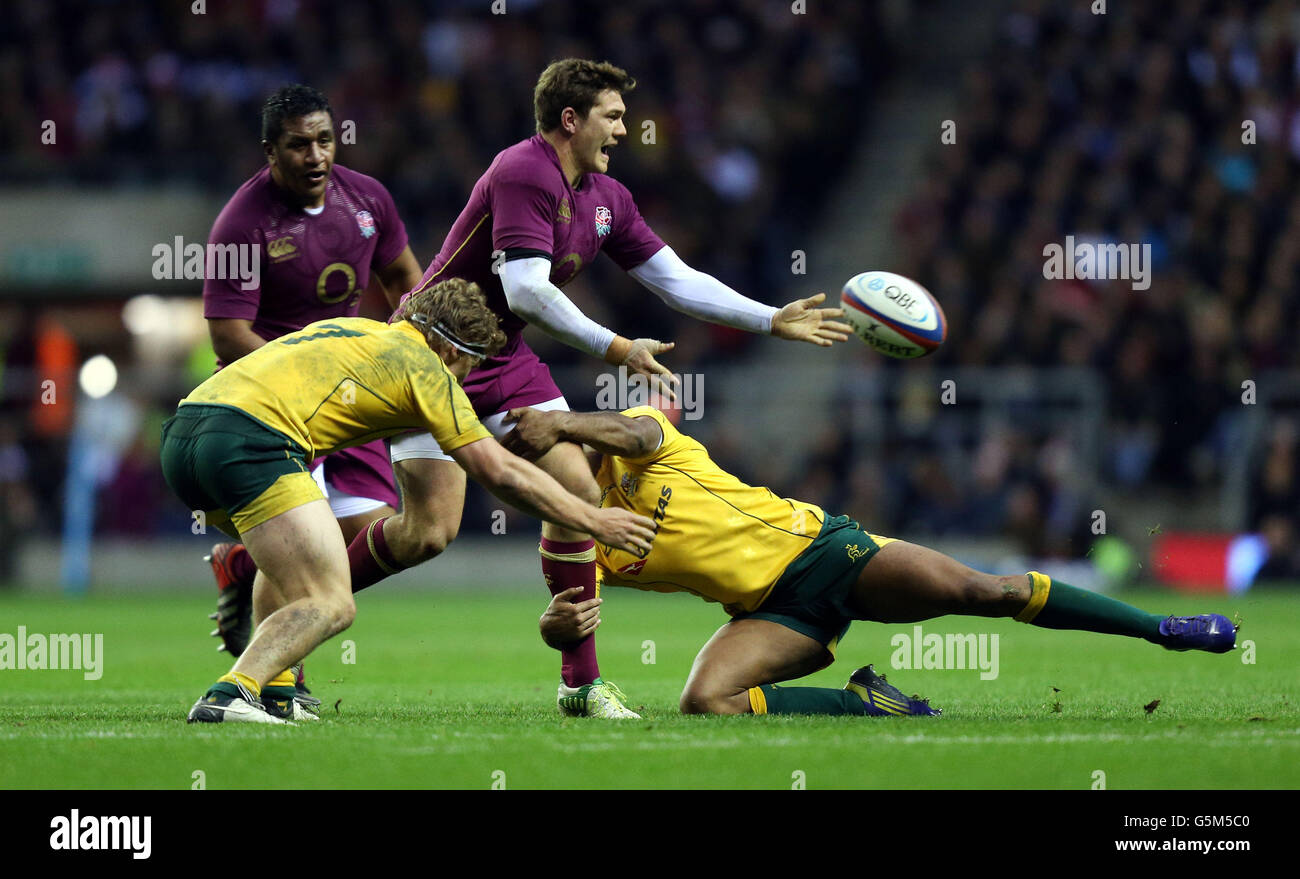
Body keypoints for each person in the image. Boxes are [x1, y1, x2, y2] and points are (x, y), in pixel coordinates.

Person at [368, 58, 853, 719]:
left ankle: (581, 683)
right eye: (614, 116)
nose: (626, 130)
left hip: (505, 358)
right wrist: (618, 347)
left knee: (577, 490)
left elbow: (676, 279)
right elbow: (525, 289)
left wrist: (770, 318)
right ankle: (278, 580)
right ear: (572, 119)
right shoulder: (522, 170)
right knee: (427, 534)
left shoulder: (606, 198)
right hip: (432, 353)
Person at [501, 405, 1240, 717]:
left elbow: (631, 428)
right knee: (704, 702)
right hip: (772, 614)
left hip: (825, 552)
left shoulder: (642, 441)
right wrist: (553, 628)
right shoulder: (575, 540)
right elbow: (567, 625)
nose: (546, 469)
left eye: (551, 452)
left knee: (985, 591)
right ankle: (867, 702)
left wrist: (560, 417)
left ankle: (1161, 625)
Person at [162, 280, 656, 725]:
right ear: (447, 347)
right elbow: (499, 471)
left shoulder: (359, 329)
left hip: (184, 436)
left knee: (296, 558)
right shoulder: (428, 370)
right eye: (467, 367)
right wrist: (593, 517)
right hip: (253, 445)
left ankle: (275, 691)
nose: (464, 382)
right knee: (331, 599)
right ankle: (233, 692)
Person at [201, 84, 425, 673]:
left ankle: (247, 565)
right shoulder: (240, 224)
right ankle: (276, 681)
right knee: (305, 546)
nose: (317, 156)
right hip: (271, 406)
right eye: (299, 146)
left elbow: (406, 280)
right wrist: (301, 377)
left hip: (349, 396)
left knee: (384, 536)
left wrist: (403, 351)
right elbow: (227, 334)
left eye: (325, 141)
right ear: (270, 151)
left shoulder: (368, 200)